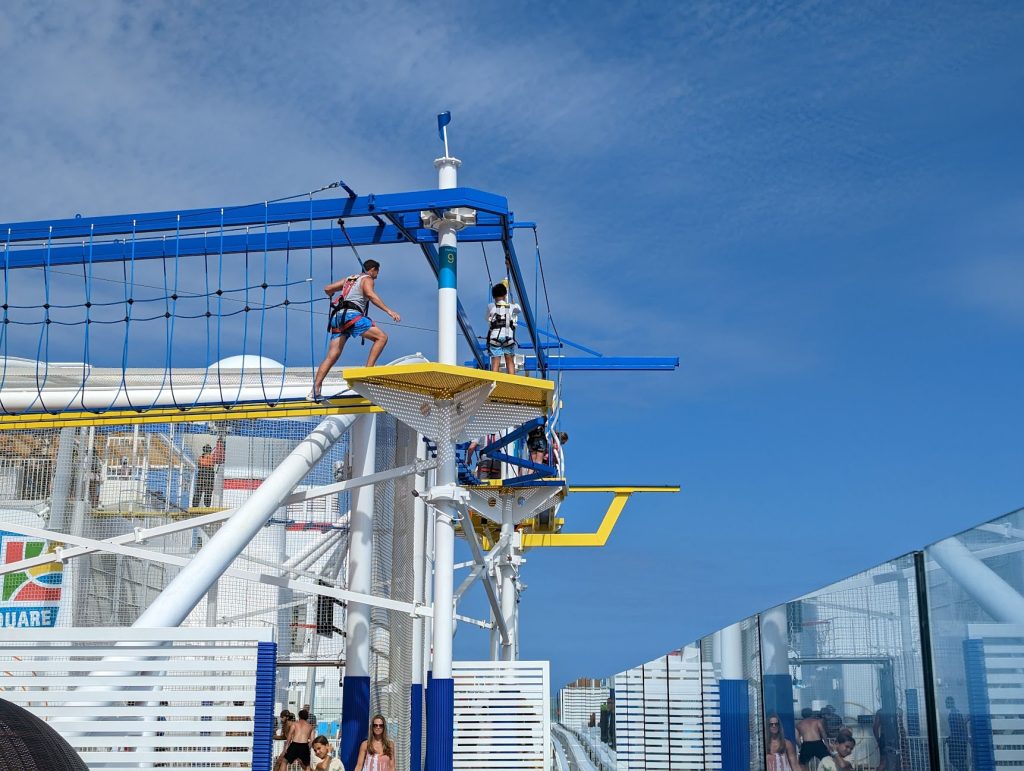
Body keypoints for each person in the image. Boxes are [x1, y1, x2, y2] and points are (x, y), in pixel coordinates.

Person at [310, 260, 401, 400]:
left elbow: (328, 289)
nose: (377, 275)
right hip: (351, 316)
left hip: (337, 318)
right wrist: (389, 311)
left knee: (332, 355)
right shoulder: (367, 278)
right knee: (381, 338)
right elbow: (371, 295)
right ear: (373, 269)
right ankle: (368, 373)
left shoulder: (349, 278)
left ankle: (315, 390)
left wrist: (333, 295)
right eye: (377, 272)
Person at [486, 282, 520, 374]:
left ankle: (494, 380)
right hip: (508, 336)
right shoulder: (512, 307)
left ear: (493, 296)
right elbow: (519, 309)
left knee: (495, 360)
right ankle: (512, 380)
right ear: (505, 295)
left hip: (495, 336)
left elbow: (487, 319)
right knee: (509, 359)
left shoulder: (491, 306)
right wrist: (513, 303)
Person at [191, 438, 225, 508]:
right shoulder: (211, 457)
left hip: (201, 474)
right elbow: (218, 460)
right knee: (208, 491)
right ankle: (207, 505)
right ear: (209, 450)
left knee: (198, 490)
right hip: (209, 473)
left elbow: (199, 465)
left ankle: (195, 505)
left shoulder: (201, 457)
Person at [945, 696, 969, 771]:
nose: (946, 704)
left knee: (955, 760)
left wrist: (950, 739)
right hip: (959, 741)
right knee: (959, 761)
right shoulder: (955, 712)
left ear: (951, 703)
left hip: (958, 741)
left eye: (947, 702)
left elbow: (959, 727)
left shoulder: (954, 713)